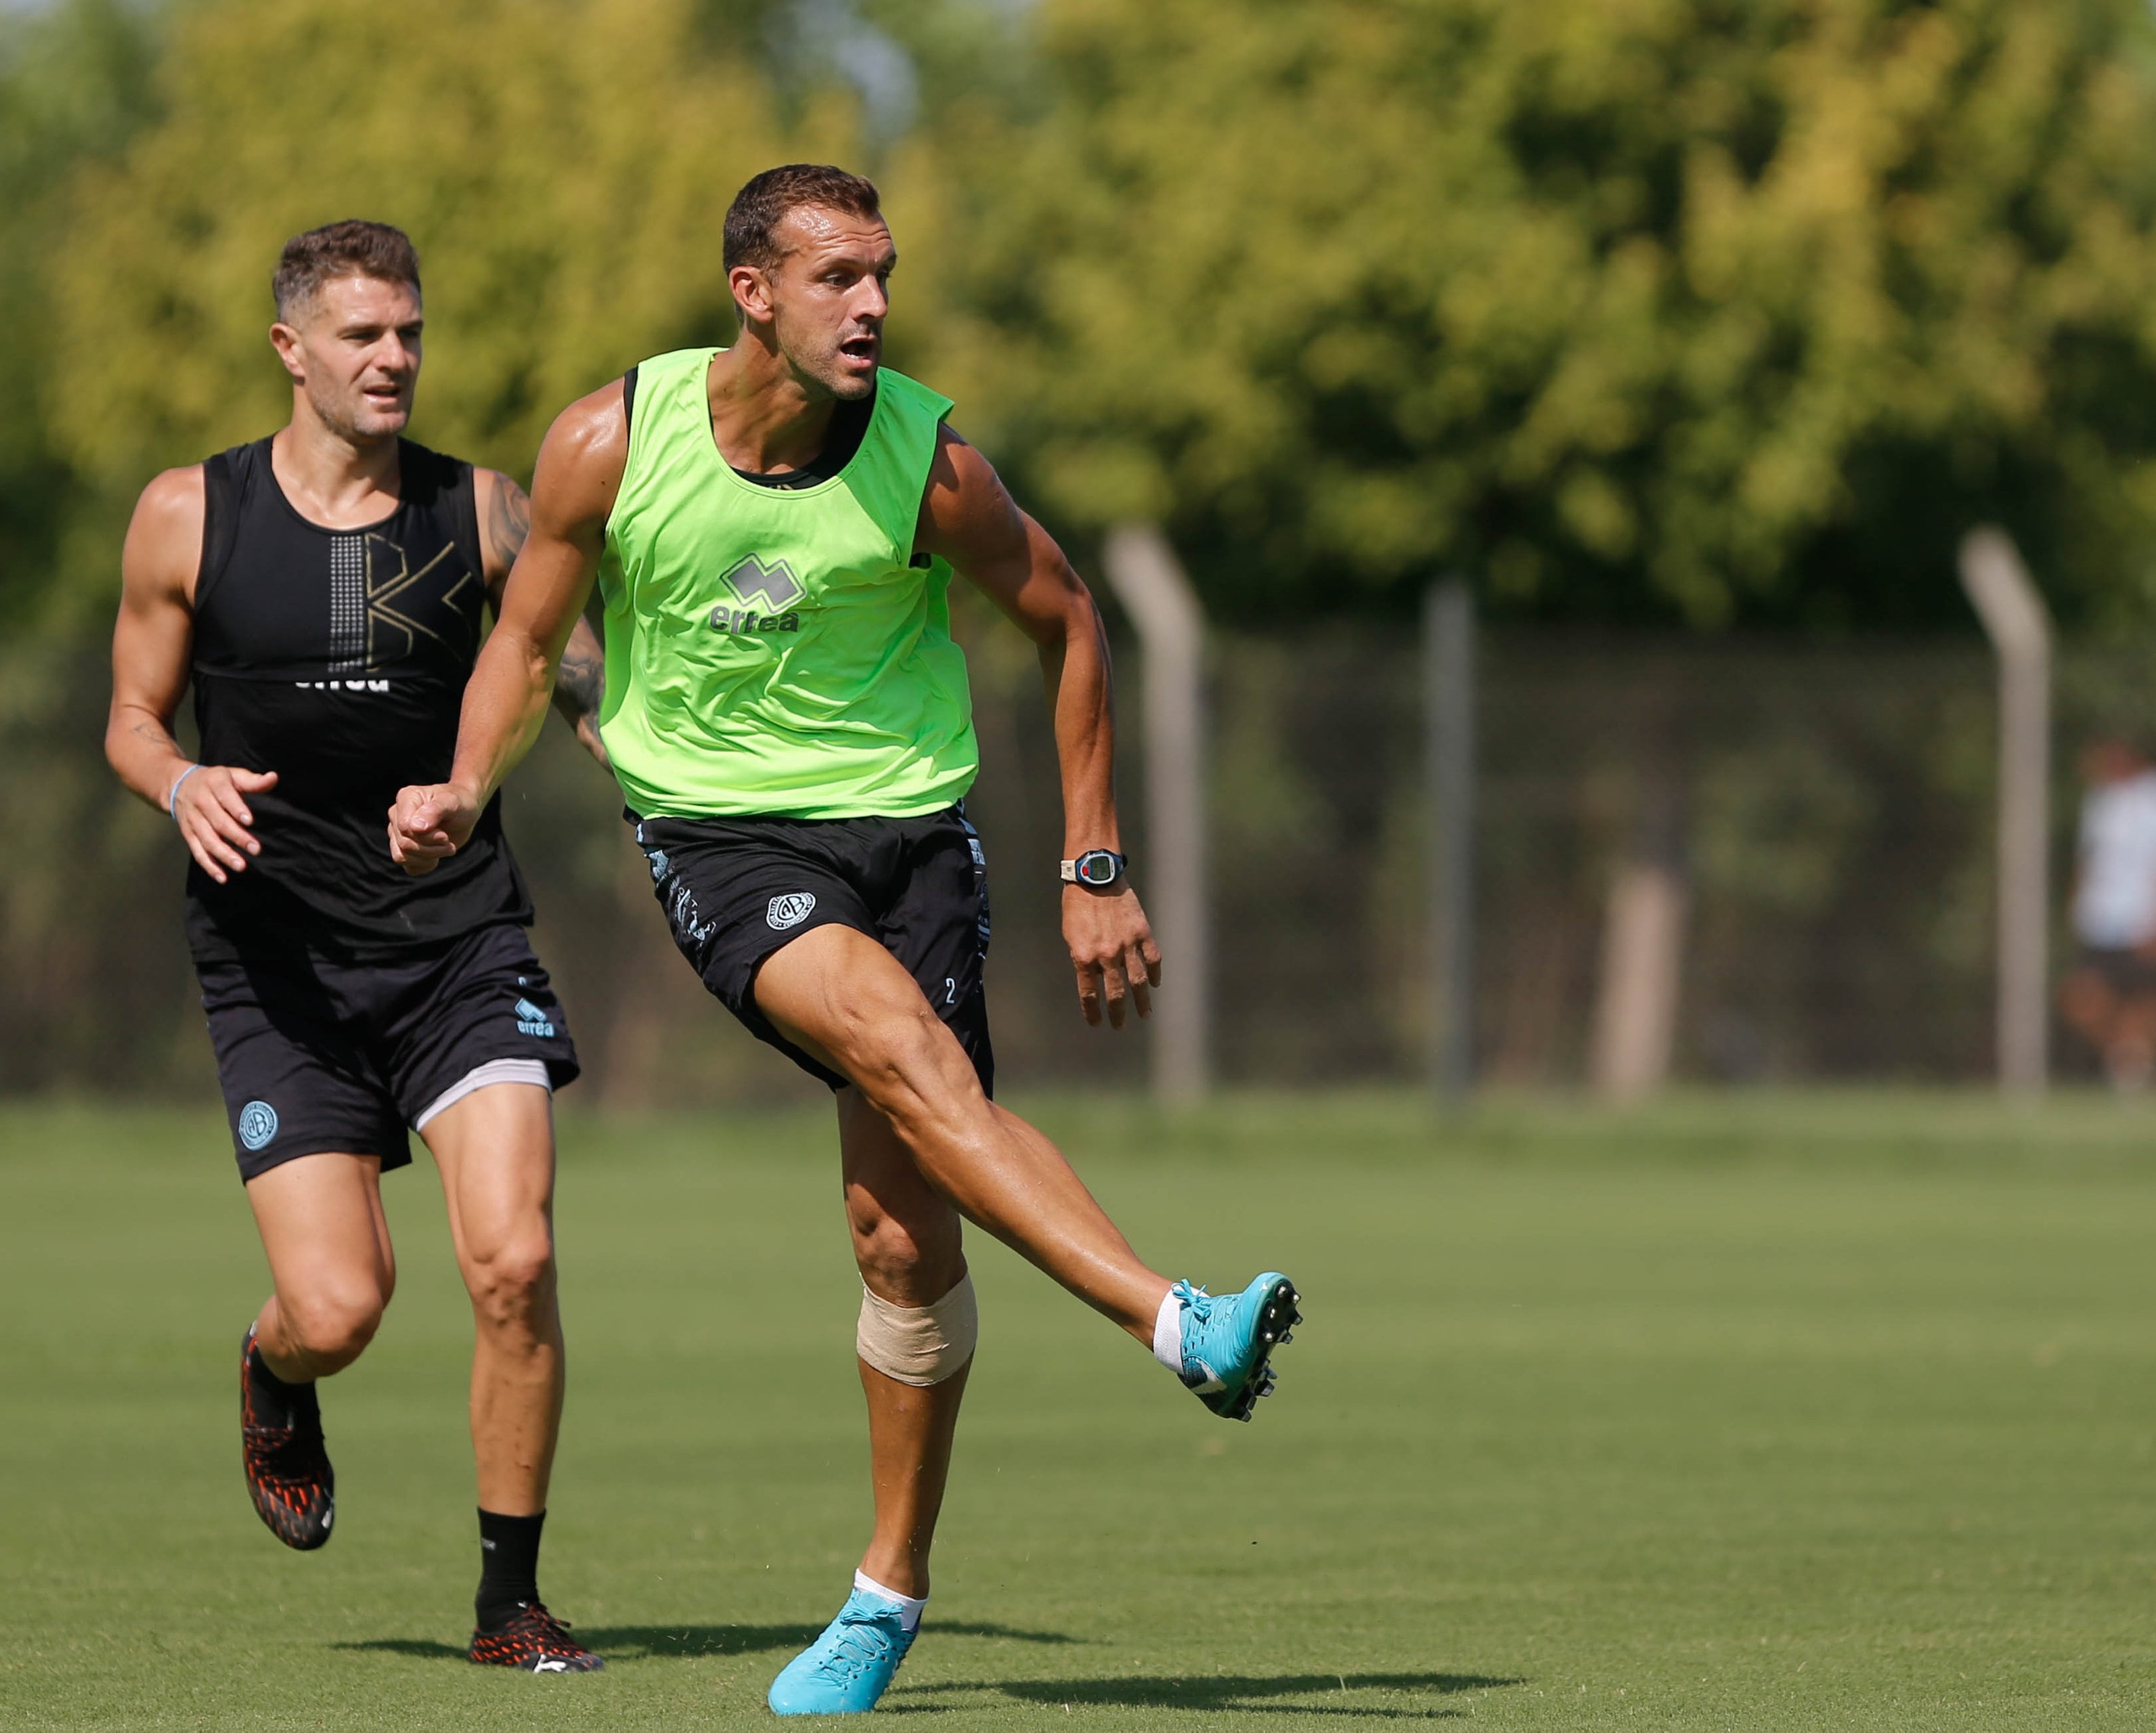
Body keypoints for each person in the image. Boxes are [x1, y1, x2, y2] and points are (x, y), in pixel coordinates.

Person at [389, 164, 1304, 1715]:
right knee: (902, 1046)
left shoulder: (929, 463)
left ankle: (886, 1592)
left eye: (883, 275)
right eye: (837, 280)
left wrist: (1094, 858)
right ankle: (1176, 1319)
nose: (873, 304)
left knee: (904, 1238)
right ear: (753, 294)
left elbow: (1070, 617)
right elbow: (528, 643)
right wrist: (466, 780)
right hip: (726, 840)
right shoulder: (612, 440)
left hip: (914, 830)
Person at [104, 221, 612, 1673]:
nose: (394, 359)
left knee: (511, 1258)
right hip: (279, 967)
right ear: (291, 350)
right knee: (343, 1303)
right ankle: (273, 1366)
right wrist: (179, 780)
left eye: (409, 333)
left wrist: (534, 750)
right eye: (362, 336)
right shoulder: (186, 515)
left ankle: (507, 1603)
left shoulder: (484, 510)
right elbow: (130, 715)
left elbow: (562, 663)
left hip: (456, 944)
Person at [2059, 734, 2156, 1093]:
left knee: (2145, 998)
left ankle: (2135, 1072)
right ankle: (2130, 1061)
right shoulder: (2102, 797)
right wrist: (2077, 902)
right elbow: (2089, 856)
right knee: (2082, 996)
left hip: (2145, 913)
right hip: (2102, 915)